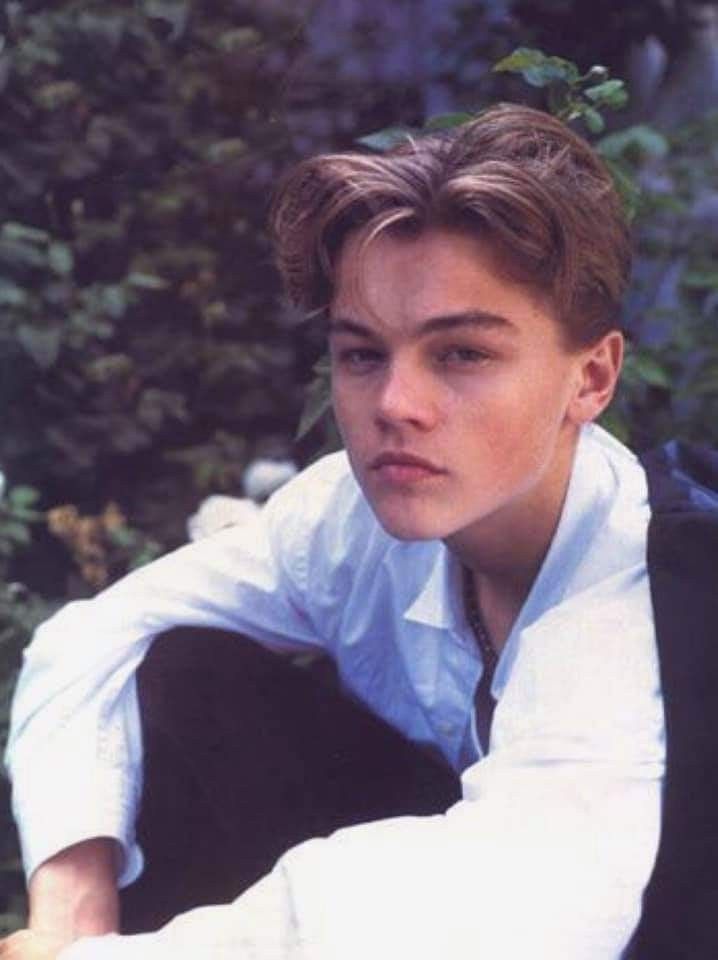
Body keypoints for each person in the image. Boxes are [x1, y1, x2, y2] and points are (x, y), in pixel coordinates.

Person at [1, 103, 717, 960]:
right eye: (362, 354)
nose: (394, 407)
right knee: (183, 665)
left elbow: (518, 905)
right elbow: (95, 634)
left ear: (592, 376)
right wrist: (72, 898)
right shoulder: (348, 517)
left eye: (462, 354)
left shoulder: (643, 597)